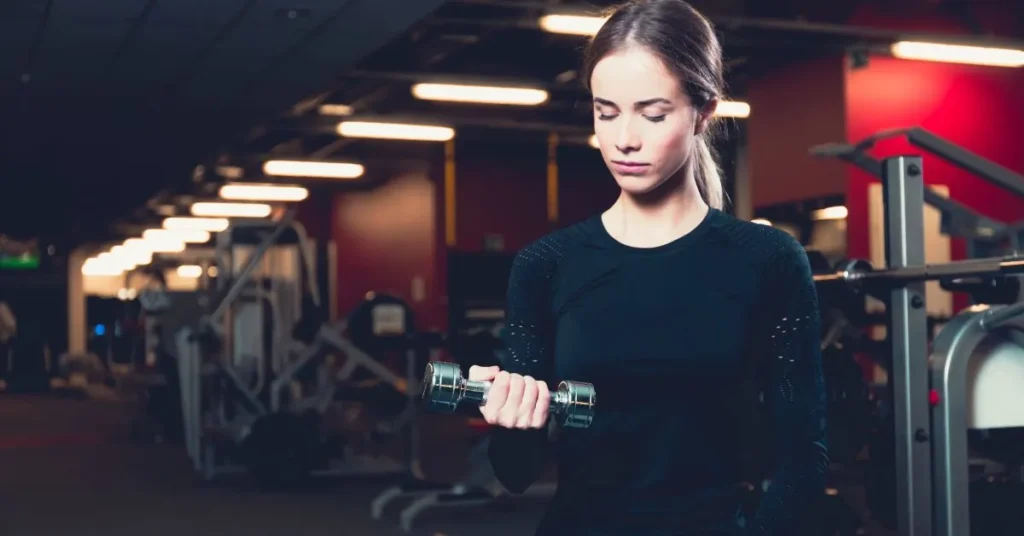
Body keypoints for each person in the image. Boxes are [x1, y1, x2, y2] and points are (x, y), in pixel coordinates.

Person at [468, 1, 829, 534]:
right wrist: (512, 416)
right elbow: (515, 472)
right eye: (605, 112)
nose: (624, 139)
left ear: (703, 111)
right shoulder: (546, 264)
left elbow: (803, 459)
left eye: (653, 114)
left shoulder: (766, 260)